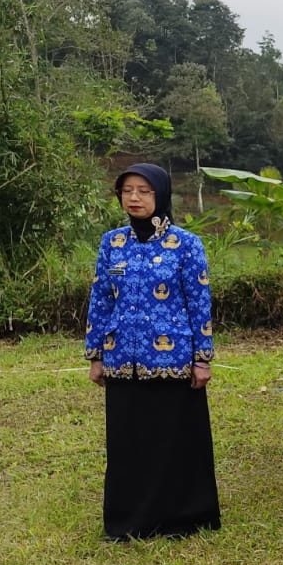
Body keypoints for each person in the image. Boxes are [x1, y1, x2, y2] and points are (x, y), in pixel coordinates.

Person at [86, 163, 220, 541]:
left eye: (144, 191)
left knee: (171, 441)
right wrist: (96, 355)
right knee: (128, 443)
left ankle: (181, 517)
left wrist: (202, 358)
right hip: (121, 359)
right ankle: (128, 521)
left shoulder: (186, 244)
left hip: (172, 360)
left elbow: (199, 303)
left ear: (160, 195)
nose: (134, 198)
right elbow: (100, 300)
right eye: (127, 190)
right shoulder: (112, 243)